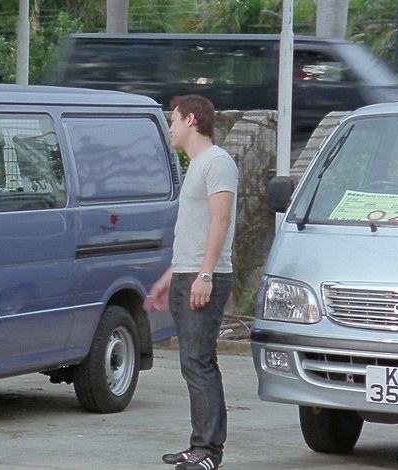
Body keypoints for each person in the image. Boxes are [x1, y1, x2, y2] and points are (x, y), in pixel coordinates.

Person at [145, 95, 238, 470]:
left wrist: (204, 275)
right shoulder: (197, 165)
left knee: (199, 362)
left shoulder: (218, 162)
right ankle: (198, 443)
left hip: (206, 277)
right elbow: (194, 232)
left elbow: (221, 221)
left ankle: (209, 451)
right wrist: (170, 277)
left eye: (174, 120)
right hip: (188, 274)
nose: (170, 127)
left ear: (192, 120)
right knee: (191, 363)